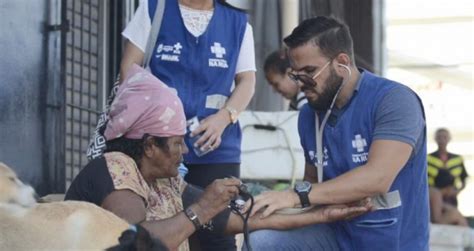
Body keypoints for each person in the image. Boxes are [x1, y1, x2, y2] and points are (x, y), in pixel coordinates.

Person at [66, 65, 371, 251]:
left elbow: (232, 219)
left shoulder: (165, 181)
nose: (184, 151)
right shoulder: (116, 167)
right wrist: (201, 209)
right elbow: (134, 242)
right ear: (148, 146)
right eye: (176, 143)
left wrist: (318, 216)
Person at [246, 16, 430, 250]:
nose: (301, 82)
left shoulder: (394, 100)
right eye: (295, 74)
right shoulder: (309, 115)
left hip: (391, 240)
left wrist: (294, 196)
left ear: (341, 62)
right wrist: (267, 206)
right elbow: (312, 182)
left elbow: (378, 179)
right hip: (335, 235)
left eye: (309, 72)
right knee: (261, 242)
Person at [119, 0, 256, 249]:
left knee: (218, 232)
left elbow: (247, 80)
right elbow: (129, 69)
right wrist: (161, 116)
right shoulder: (155, 8)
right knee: (158, 224)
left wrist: (224, 117)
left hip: (215, 147)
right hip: (158, 147)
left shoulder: (238, 21)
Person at [428, 128, 468, 206]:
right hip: (434, 198)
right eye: (439, 137)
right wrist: (438, 192)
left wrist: (456, 192)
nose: (442, 140)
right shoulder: (428, 159)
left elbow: (464, 179)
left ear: (449, 139)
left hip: (451, 197)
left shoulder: (457, 159)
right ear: (435, 139)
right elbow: (423, 181)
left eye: (445, 137)